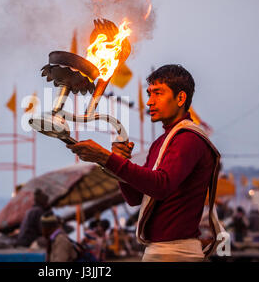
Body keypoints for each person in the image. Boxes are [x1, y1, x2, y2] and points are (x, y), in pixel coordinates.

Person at [67, 65, 222, 262]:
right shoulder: (162, 142)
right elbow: (136, 198)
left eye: (158, 93)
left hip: (176, 252)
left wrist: (106, 158)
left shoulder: (188, 138)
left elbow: (161, 185)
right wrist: (121, 163)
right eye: (149, 94)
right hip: (160, 250)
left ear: (181, 98)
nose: (149, 102)